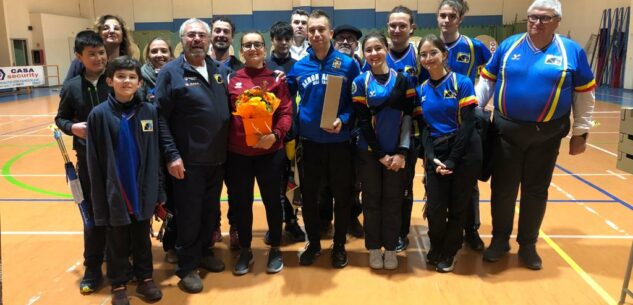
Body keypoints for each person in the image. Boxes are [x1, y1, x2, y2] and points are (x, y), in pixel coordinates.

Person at [476, 0, 595, 270]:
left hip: (547, 136)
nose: (536, 22)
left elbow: (584, 95)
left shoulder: (571, 51)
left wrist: (581, 132)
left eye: (544, 18)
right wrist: (473, 111)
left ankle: (527, 244)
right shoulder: (509, 46)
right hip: (506, 133)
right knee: (502, 190)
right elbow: (487, 81)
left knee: (535, 191)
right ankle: (499, 239)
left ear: (557, 21)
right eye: (532, 17)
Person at [155, 18, 229, 293]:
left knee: (210, 213)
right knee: (189, 215)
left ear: (208, 40)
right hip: (188, 162)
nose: (197, 39)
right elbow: (160, 117)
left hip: (218, 159)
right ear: (182, 40)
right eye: (191, 35)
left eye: (201, 35)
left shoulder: (218, 69)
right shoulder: (171, 73)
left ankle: (204, 253)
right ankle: (186, 266)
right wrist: (172, 155)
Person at [86, 56, 164, 305]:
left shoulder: (149, 111)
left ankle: (145, 279)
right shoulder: (98, 115)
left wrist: (158, 190)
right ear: (109, 81)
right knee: (116, 238)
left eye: (132, 77)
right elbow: (94, 161)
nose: (126, 81)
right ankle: (118, 283)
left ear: (140, 82)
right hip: (115, 189)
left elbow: (155, 155)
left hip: (141, 188)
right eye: (120, 76)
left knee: (142, 236)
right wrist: (100, 197)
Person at [287, 10, 360, 268]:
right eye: (312, 30)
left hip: (340, 144)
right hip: (310, 144)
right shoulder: (298, 67)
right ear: (307, 34)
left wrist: (344, 119)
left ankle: (339, 245)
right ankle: (314, 244)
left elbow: (356, 103)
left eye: (321, 29)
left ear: (331, 33)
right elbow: (286, 100)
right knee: (310, 198)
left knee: (342, 197)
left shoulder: (348, 65)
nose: (317, 34)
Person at [225, 32, 293, 275]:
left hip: (270, 152)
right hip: (238, 154)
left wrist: (275, 135)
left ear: (264, 49)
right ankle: (245, 250)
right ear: (241, 50)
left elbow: (286, 112)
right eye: (247, 45)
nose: (252, 48)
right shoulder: (231, 78)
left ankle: (275, 247)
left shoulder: (276, 78)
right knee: (241, 204)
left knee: (273, 202)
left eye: (257, 44)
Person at [416, 34, 482, 273]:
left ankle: (450, 251)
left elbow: (467, 125)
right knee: (435, 208)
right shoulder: (420, 89)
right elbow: (423, 127)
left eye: (433, 53)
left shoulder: (461, 82)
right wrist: (431, 155)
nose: (428, 58)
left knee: (458, 206)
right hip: (436, 152)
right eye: (423, 54)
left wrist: (453, 159)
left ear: (444, 55)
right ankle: (437, 245)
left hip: (464, 151)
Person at [352, 32, 417, 270]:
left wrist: (401, 152)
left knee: (392, 202)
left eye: (378, 48)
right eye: (368, 50)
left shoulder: (404, 80)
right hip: (370, 154)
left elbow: (408, 119)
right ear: (363, 54)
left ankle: (390, 248)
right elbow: (362, 122)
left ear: (386, 48)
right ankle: (373, 248)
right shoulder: (360, 82)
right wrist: (380, 155)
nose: (374, 54)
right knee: (371, 201)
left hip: (397, 155)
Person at [54, 30, 109, 294]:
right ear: (79, 57)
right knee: (94, 217)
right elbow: (60, 119)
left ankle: (122, 262)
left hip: (119, 161)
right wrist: (72, 126)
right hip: (88, 162)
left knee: (123, 213)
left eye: (101, 52)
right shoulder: (72, 86)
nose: (98, 58)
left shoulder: (116, 80)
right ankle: (92, 267)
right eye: (91, 54)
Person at [435, 0, 492, 251]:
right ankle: (441, 228)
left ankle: (471, 230)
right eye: (442, 15)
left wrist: (479, 103)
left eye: (451, 16)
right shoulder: (429, 47)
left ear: (460, 19)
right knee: (437, 179)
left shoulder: (474, 46)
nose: (446, 20)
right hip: (438, 125)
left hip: (467, 124)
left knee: (468, 182)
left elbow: (491, 76)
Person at [319, 23, 365, 239]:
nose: (346, 42)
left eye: (351, 39)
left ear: (357, 45)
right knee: (326, 180)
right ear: (333, 41)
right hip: (330, 131)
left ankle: (351, 218)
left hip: (357, 133)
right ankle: (325, 218)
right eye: (341, 38)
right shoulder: (326, 65)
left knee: (354, 182)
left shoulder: (365, 67)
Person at [263, 21, 306, 245]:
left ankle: (292, 221)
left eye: (286, 38)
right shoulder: (264, 66)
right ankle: (274, 224)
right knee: (272, 181)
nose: (283, 43)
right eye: (278, 38)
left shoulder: (298, 66)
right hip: (270, 134)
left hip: (292, 133)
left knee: (292, 179)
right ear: (272, 40)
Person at [209, 15, 243, 249]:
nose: (221, 35)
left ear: (232, 37)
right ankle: (213, 227)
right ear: (211, 34)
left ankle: (236, 228)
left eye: (226, 31)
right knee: (210, 190)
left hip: (234, 142)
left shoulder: (240, 69)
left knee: (236, 189)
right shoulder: (199, 64)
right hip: (208, 142)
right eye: (217, 30)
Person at [64, 15, 140, 84]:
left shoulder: (131, 61)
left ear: (123, 35)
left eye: (116, 28)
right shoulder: (81, 62)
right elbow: (67, 90)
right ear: (98, 33)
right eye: (106, 28)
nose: (112, 31)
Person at [140, 37, 174, 102]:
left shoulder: (180, 74)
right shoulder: (141, 75)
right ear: (148, 55)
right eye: (154, 51)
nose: (159, 55)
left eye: (164, 51)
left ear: (170, 54)